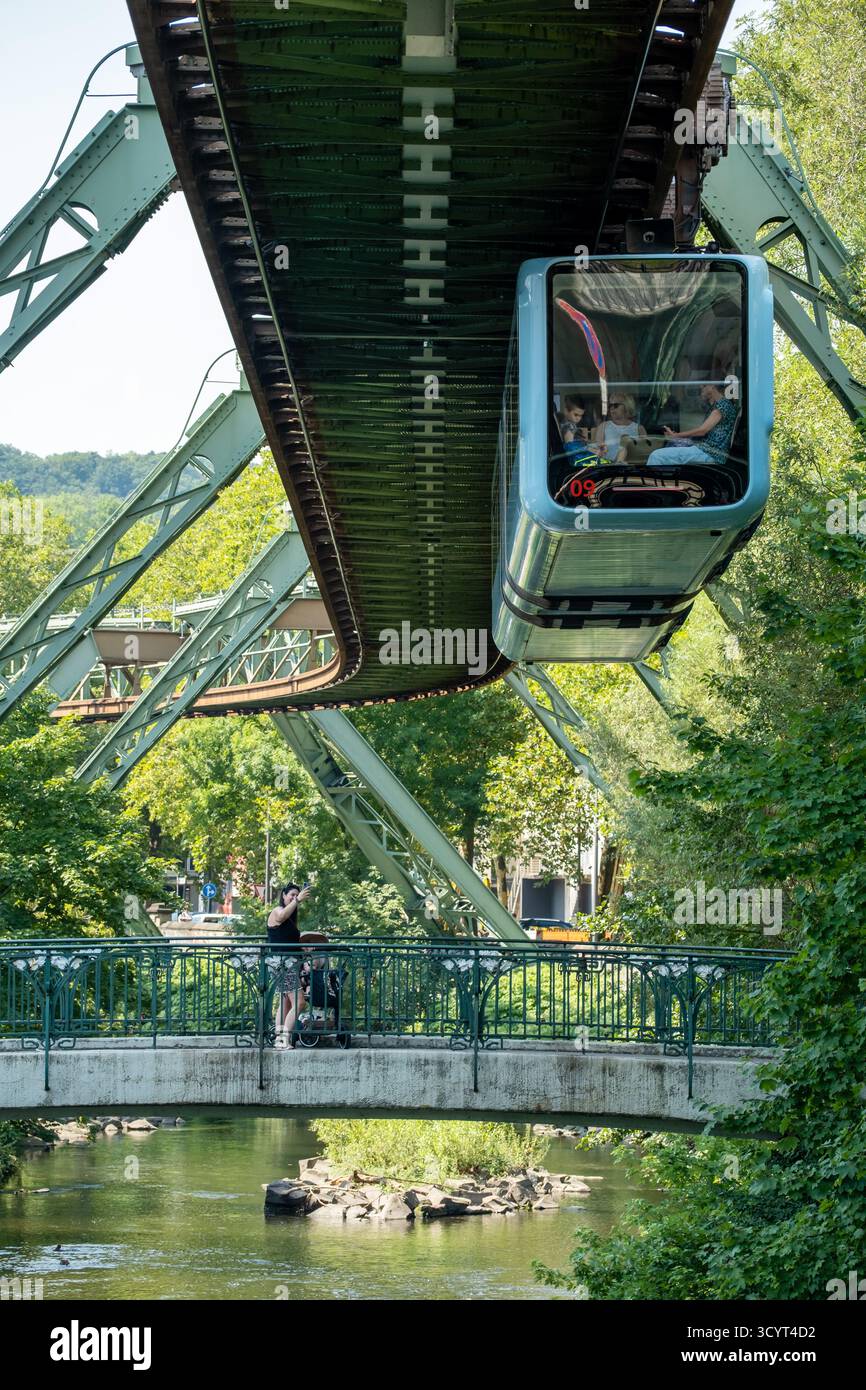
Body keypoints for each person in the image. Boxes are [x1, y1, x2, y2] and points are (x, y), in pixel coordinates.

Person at [645, 382, 738, 468]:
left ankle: (652, 484)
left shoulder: (723, 404)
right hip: (707, 450)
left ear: (712, 386)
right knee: (672, 445)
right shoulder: (719, 405)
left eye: (704, 386)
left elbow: (702, 431)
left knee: (657, 456)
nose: (701, 388)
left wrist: (676, 435)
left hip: (710, 453)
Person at [267, 882, 311, 1048]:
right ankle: (282, 1040)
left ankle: (279, 1039)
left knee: (285, 1003)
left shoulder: (291, 918)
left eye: (296, 895)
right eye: (291, 895)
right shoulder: (277, 911)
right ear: (283, 896)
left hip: (288, 963)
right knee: (300, 1002)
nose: (294, 897)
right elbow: (280, 917)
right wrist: (298, 900)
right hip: (282, 963)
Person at [593, 393, 647, 463]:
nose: (611, 408)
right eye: (610, 405)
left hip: (632, 466)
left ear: (627, 406)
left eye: (616, 405)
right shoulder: (604, 426)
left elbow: (644, 452)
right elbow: (597, 449)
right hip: (608, 466)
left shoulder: (639, 428)